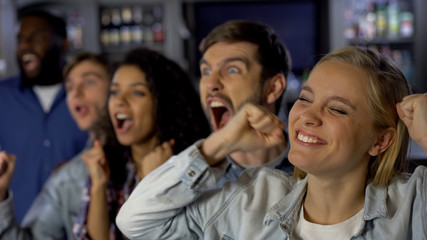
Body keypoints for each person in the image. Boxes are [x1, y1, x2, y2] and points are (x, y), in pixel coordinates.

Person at [116, 46, 427, 239]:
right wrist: (218, 143)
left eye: (337, 108)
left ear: (381, 141)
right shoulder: (249, 200)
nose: (308, 115)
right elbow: (135, 222)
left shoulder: (414, 205)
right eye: (305, 98)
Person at [72, 48, 210, 239]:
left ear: (163, 103)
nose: (120, 101)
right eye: (114, 92)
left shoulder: (188, 166)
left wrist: (152, 183)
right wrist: (98, 185)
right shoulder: (108, 161)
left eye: (137, 93)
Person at [0, 53, 120, 239]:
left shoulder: (157, 157)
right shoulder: (68, 177)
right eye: (69, 87)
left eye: (89, 82)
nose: (75, 93)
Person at [0, 9, 88, 222]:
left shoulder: (87, 97)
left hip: (78, 226)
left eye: (36, 37)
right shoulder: (2, 96)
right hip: (16, 228)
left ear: (63, 44)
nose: (25, 47)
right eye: (20, 40)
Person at [197, 20, 293, 184]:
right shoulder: (193, 179)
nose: (211, 83)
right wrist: (211, 150)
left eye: (232, 70)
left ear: (273, 88)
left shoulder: (313, 171)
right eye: (206, 71)